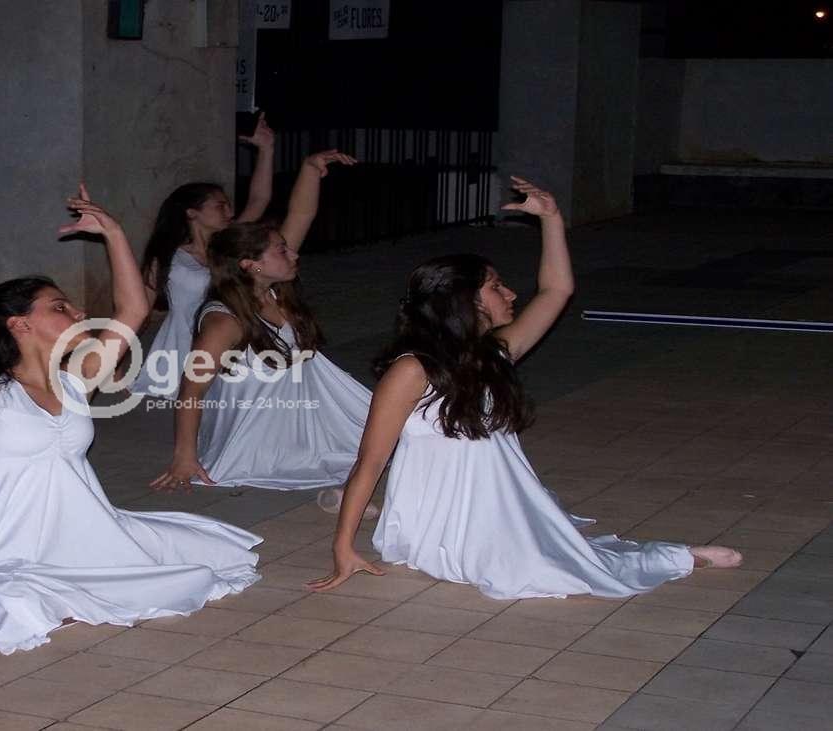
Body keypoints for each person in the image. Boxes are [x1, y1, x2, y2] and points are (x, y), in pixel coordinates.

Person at [0, 186, 261, 655]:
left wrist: (112, 232)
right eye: (60, 307)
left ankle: (85, 571)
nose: (79, 312)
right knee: (13, 602)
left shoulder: (77, 380)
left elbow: (133, 310)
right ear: (19, 324)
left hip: (83, 531)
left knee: (211, 551)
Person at [307, 177, 742, 599]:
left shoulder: (494, 352)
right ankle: (672, 558)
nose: (511, 293)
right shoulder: (411, 370)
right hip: (438, 515)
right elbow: (371, 460)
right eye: (496, 287)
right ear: (465, 301)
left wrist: (551, 219)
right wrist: (343, 547)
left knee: (559, 558)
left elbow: (556, 290)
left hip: (497, 497)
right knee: (536, 569)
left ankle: (672, 556)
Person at [152, 150, 376, 513]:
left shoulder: (271, 287)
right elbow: (192, 389)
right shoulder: (224, 321)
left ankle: (342, 483)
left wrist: (310, 169)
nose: (293, 255)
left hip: (307, 406)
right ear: (251, 265)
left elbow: (301, 215)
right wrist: (184, 457)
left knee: (387, 435)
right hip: (259, 425)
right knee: (349, 453)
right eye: (282, 250)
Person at [130, 113, 276, 398]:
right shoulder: (167, 256)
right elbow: (138, 311)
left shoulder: (229, 244)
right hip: (184, 346)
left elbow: (259, 200)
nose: (229, 211)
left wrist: (267, 149)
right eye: (220, 206)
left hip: (229, 336)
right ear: (192, 212)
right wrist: (115, 360)